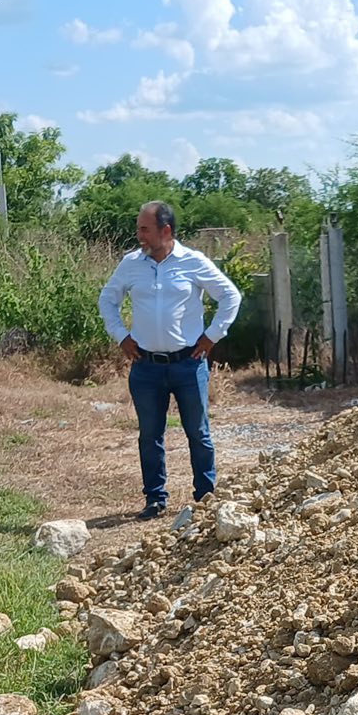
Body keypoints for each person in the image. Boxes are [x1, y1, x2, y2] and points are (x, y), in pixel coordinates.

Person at [97, 200, 242, 519]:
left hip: (188, 364)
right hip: (146, 367)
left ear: (165, 231)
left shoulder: (193, 261)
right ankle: (155, 498)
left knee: (198, 432)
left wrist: (212, 336)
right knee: (150, 435)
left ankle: (205, 497)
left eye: (145, 229)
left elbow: (230, 296)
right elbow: (107, 300)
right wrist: (121, 336)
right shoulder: (131, 264)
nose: (140, 236)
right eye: (139, 229)